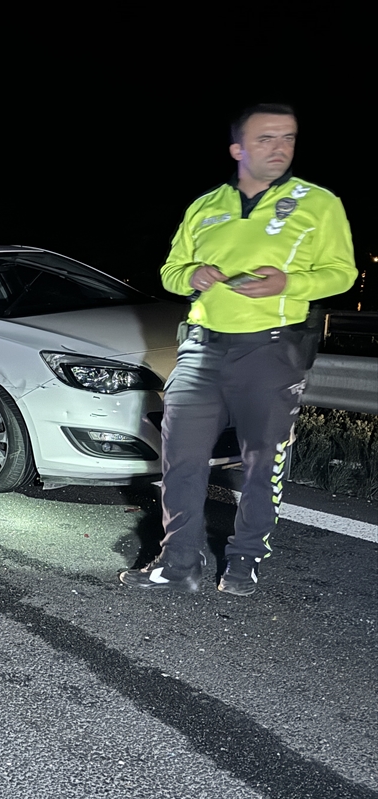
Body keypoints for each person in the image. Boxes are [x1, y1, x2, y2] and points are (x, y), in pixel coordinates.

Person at [121, 104, 356, 596]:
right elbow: (170, 271)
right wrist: (192, 275)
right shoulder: (205, 206)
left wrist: (288, 283)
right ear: (238, 149)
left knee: (260, 460)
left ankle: (244, 559)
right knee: (181, 458)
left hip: (271, 351)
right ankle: (179, 562)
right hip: (202, 349)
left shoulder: (318, 203)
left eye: (288, 138)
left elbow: (342, 272)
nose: (280, 148)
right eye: (267, 138)